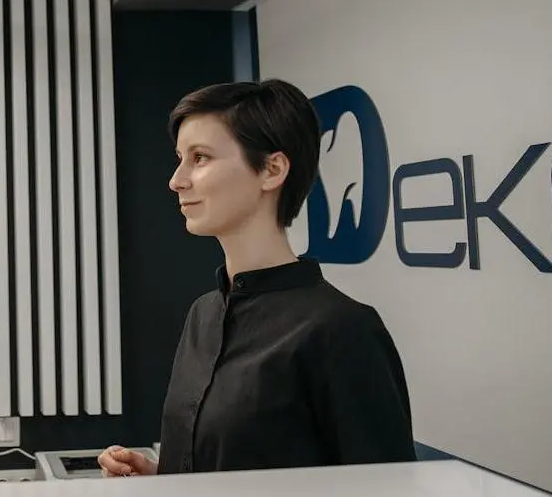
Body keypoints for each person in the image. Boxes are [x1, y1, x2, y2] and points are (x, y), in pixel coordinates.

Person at [99, 79, 415, 478]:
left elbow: (387, 489)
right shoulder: (204, 313)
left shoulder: (342, 329)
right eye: (180, 158)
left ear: (272, 169)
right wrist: (164, 481)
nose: (176, 180)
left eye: (200, 158)